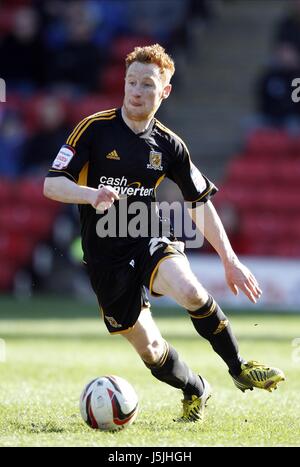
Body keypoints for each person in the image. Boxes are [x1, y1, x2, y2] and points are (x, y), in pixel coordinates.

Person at [44, 44, 285, 423]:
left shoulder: (170, 145)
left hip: (147, 236)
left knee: (190, 291)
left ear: (165, 91)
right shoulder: (94, 129)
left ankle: (239, 366)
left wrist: (229, 259)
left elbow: (199, 202)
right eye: (130, 82)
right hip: (105, 258)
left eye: (146, 84)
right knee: (152, 349)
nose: (136, 91)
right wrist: (91, 194)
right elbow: (52, 185)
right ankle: (195, 389)